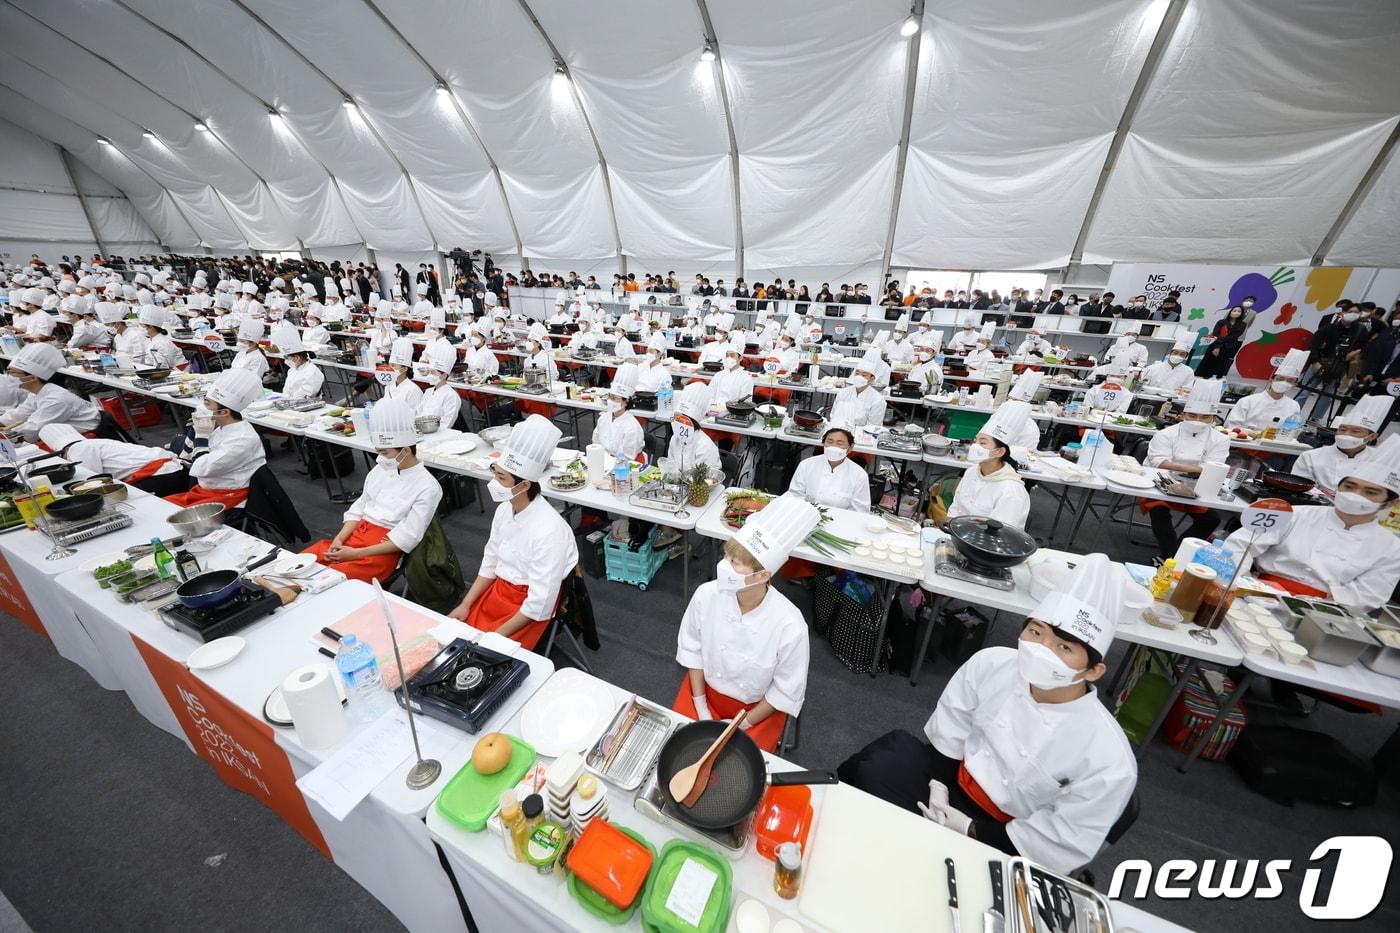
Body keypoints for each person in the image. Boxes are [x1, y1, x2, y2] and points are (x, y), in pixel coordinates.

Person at [836, 553, 1135, 874]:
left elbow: (1058, 839)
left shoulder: (1109, 759)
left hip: (1011, 835)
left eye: (1064, 647)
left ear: (1093, 670)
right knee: (871, 772)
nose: (1042, 649)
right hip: (949, 784)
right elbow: (952, 727)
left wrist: (968, 829)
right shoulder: (992, 664)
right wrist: (939, 786)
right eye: (1036, 632)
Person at [672, 495, 821, 753]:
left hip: (757, 711)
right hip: (703, 691)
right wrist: (701, 706)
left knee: (733, 775)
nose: (723, 567)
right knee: (680, 751)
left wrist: (743, 723)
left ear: (763, 575)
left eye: (735, 563)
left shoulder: (789, 624)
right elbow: (693, 651)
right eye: (726, 557)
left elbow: (784, 691)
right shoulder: (707, 595)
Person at [449, 415, 578, 649]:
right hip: (498, 592)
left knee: (480, 656)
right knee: (454, 641)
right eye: (494, 472)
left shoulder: (549, 530)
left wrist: (495, 636)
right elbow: (490, 563)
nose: (493, 482)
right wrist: (466, 604)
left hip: (525, 608)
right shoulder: (503, 512)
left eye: (501, 477)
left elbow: (539, 602)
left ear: (524, 485)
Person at [1225, 452, 1400, 612]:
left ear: (1390, 502)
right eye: (1349, 486)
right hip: (1256, 594)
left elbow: (1369, 594)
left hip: (1327, 611)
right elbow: (1239, 544)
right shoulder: (1294, 513)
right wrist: (1247, 583)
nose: (1355, 494)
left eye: (1370, 492)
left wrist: (1314, 605)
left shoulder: (1391, 547)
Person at [302, 400, 444, 583]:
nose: (379, 459)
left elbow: (408, 537)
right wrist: (339, 539)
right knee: (303, 563)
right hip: (354, 536)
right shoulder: (380, 470)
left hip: (381, 549)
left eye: (384, 453)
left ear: (406, 450)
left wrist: (355, 554)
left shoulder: (427, 486)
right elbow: (359, 508)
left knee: (322, 582)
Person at [1141, 378, 1228, 557]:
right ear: (1183, 415)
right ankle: (1169, 558)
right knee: (1160, 513)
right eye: (1192, 415)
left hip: (1197, 488)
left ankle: (1178, 554)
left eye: (1204, 417)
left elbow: (1215, 468)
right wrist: (1199, 468)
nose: (1198, 420)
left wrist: (1183, 467)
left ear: (1213, 419)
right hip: (1158, 482)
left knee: (1212, 519)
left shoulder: (1221, 439)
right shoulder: (1166, 433)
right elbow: (1160, 463)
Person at [164, 368, 266, 508]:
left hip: (227, 497)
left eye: (206, 404)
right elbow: (186, 456)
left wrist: (201, 435)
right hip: (207, 488)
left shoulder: (242, 440)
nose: (200, 407)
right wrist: (196, 430)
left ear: (224, 412)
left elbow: (198, 469)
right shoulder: (220, 428)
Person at [942, 401, 1033, 529]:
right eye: (975, 441)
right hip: (959, 535)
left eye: (983, 443)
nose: (975, 446)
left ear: (999, 451)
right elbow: (956, 508)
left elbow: (1000, 533)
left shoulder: (1011, 490)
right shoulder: (971, 471)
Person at [0, 343, 101, 442]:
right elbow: (18, 414)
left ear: (32, 378)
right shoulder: (37, 392)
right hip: (63, 434)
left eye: (11, 372)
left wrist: (6, 435)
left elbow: (33, 430)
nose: (7, 376)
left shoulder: (56, 400)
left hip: (91, 436)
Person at [1293, 395, 1389, 495]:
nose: (1346, 434)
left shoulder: (1380, 460)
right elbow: (1299, 487)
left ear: (1372, 437)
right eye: (1342, 429)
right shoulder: (1311, 456)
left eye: (1355, 431)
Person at [788, 426, 871, 512]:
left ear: (850, 448)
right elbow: (795, 495)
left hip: (841, 520)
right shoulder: (806, 465)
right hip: (805, 513)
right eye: (830, 441)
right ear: (823, 444)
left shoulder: (859, 475)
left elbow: (860, 510)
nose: (834, 446)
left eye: (840, 443)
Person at [1225, 348, 1306, 434]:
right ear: (1272, 379)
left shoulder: (1294, 405)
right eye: (1280, 379)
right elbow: (1230, 426)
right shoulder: (1248, 401)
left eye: (1289, 381)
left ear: (1294, 385)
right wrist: (1253, 433)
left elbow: (1292, 431)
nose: (1284, 383)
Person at [593, 364, 645, 460]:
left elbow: (627, 458)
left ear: (626, 402)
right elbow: (595, 443)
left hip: (625, 466)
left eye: (615, 399)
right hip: (604, 461)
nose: (610, 401)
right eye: (610, 397)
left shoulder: (632, 427)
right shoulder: (604, 418)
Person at [667, 382, 721, 473]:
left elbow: (705, 480)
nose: (674, 421)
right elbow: (670, 466)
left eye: (679, 418)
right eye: (675, 417)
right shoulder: (675, 438)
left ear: (690, 421)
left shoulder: (704, 446)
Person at [829, 350, 887, 428]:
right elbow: (833, 416)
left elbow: (873, 427)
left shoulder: (877, 400)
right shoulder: (843, 393)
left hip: (861, 436)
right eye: (857, 373)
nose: (859, 377)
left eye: (864, 375)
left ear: (872, 379)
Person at [417, 342, 462, 432]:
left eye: (433, 373)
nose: (429, 375)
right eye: (429, 372)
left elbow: (447, 424)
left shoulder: (451, 396)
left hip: (440, 436)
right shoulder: (428, 392)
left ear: (444, 375)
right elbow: (419, 413)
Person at [1195, 306, 1248, 378]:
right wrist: (1217, 347)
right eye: (1234, 311)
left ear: (1241, 314)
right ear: (1230, 312)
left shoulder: (1243, 325)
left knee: (1220, 367)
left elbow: (1233, 337)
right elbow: (1216, 334)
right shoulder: (1221, 322)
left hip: (1228, 348)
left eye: (1239, 311)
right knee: (1208, 365)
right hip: (1215, 346)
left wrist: (1221, 343)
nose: (1236, 313)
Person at [278, 333, 325, 401]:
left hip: (306, 405)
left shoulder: (312, 372)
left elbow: (305, 395)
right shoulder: (292, 370)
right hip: (290, 402)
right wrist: (285, 398)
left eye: (287, 358)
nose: (286, 361)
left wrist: (289, 400)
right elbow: (286, 389)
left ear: (297, 357)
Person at [1005, 371, 1044, 449]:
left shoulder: (1030, 428)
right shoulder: (1001, 416)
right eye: (1008, 399)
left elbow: (1023, 452)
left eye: (1014, 401)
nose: (1009, 403)